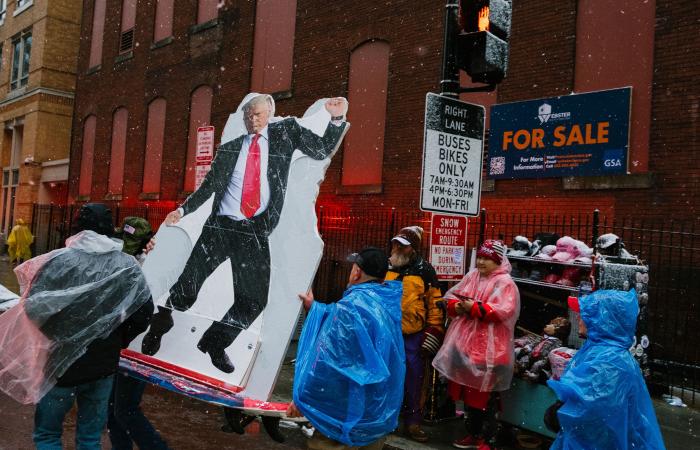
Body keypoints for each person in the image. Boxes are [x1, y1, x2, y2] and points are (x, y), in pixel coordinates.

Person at [141, 94, 348, 374]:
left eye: (259, 115)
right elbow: (208, 187)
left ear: (270, 114)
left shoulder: (286, 132)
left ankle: (215, 342)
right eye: (249, 116)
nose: (254, 120)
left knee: (253, 300)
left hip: (254, 230)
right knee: (187, 290)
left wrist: (336, 119)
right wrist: (183, 210)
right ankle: (161, 321)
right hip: (220, 227)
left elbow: (322, 149)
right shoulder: (229, 149)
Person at [0, 203, 153, 449]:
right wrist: (115, 338)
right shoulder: (127, 266)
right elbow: (144, 313)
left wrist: (59, 335)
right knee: (90, 438)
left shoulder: (56, 261)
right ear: (108, 228)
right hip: (102, 365)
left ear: (76, 227)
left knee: (48, 435)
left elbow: (34, 307)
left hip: (59, 365)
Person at [286, 247, 405, 449]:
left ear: (357, 272)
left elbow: (327, 365)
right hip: (374, 415)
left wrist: (303, 399)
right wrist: (314, 308)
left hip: (344, 417)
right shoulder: (386, 303)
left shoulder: (350, 308)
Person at [545, 289, 665, 449]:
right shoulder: (602, 351)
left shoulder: (610, 361)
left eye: (586, 314)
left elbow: (594, 411)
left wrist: (558, 415)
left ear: (602, 320)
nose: (579, 317)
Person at [432, 240, 520, 450]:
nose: (480, 262)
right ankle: (473, 433)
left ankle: (486, 439)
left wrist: (473, 308)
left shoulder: (505, 282)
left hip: (491, 349)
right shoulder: (473, 276)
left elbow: (503, 311)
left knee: (485, 396)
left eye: (486, 258)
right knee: (468, 393)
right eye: (479, 257)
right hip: (466, 346)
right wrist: (457, 306)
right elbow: (452, 296)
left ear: (497, 260)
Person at [108, 216, 170, 450]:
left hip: (138, 347)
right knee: (113, 409)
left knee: (125, 409)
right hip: (119, 345)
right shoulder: (117, 258)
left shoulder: (153, 263)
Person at [385, 226, 444, 442]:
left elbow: (435, 304)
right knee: (388, 378)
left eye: (403, 244)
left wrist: (433, 330)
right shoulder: (386, 266)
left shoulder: (425, 270)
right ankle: (387, 419)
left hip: (413, 335)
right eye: (396, 243)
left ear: (413, 248)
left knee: (414, 381)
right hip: (388, 333)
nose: (397, 248)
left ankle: (413, 423)